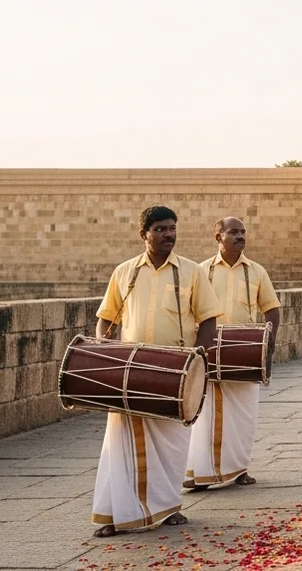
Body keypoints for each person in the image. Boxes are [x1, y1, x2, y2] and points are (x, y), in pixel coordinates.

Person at [91, 206, 221, 537]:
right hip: (131, 371)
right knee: (120, 444)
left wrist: (198, 362)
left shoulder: (191, 272)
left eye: (172, 228)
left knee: (172, 442)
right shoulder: (125, 272)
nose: (168, 234)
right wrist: (106, 356)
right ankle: (113, 513)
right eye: (161, 229)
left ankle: (167, 507)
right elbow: (107, 318)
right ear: (144, 234)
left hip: (174, 369)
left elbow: (207, 318)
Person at [185, 217, 282, 490]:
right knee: (204, 414)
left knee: (243, 415)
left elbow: (272, 309)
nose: (240, 236)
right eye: (233, 232)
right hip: (210, 350)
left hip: (244, 352)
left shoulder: (257, 271)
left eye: (243, 232)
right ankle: (201, 472)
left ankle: (238, 469)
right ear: (218, 237)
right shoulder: (200, 271)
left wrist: (267, 343)